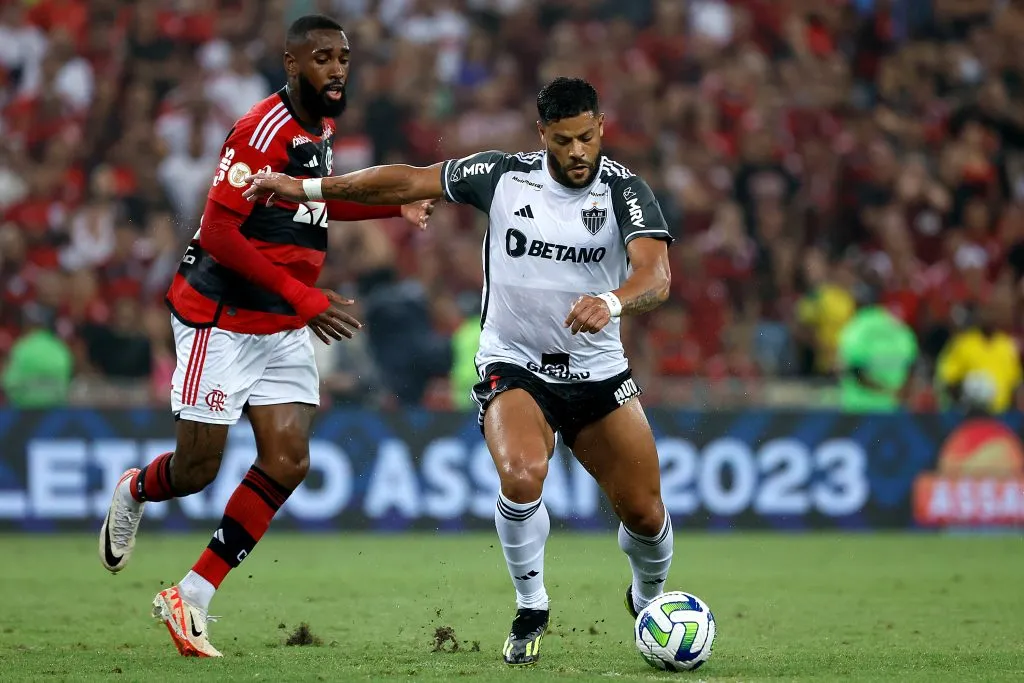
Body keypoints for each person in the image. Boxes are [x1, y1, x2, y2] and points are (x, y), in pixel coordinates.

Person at [244, 76, 675, 666]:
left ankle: (650, 603)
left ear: (601, 127)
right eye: (564, 140)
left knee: (647, 516)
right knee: (523, 476)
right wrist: (305, 187)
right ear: (542, 134)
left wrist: (614, 301)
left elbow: (656, 274)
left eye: (586, 137)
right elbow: (404, 179)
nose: (577, 152)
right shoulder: (501, 176)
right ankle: (531, 606)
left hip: (598, 372)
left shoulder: (626, 191)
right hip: (515, 363)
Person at [97, 14, 434, 658]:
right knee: (197, 469)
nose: (336, 69)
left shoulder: (320, 128)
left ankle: (190, 597)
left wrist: (393, 206)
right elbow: (220, 232)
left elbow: (314, 199)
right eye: (321, 58)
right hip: (218, 318)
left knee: (288, 461)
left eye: (343, 57)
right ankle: (137, 488)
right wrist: (306, 297)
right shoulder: (261, 129)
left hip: (280, 322)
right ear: (291, 62)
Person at [836, 288, 919, 413]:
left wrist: (883, 391)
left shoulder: (855, 327)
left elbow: (854, 371)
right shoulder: (899, 326)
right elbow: (912, 364)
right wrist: (897, 393)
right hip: (893, 408)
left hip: (859, 408)